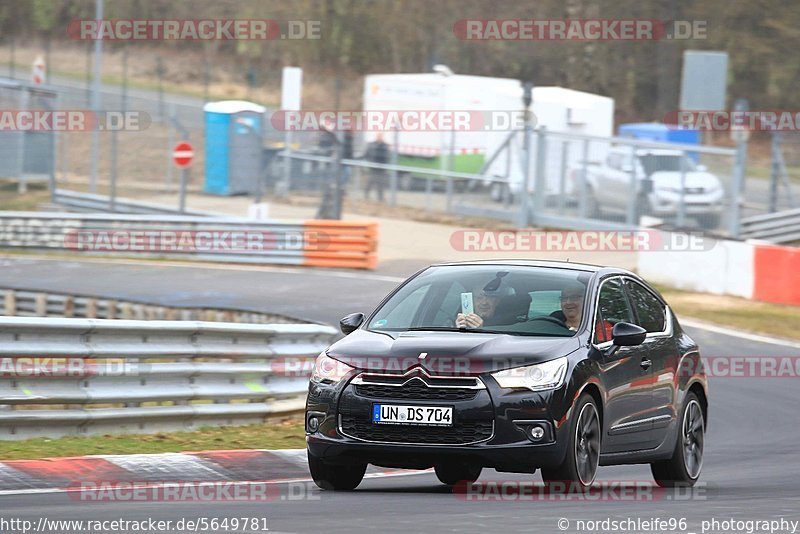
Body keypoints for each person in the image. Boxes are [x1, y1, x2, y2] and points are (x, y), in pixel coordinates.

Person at [363, 132, 390, 201]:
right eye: (378, 136)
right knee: (370, 182)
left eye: (380, 136)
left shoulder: (385, 145)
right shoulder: (371, 145)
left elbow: (387, 157)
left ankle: (380, 198)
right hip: (373, 168)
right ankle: (366, 196)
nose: (379, 137)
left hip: (381, 169)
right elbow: (366, 154)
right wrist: (369, 162)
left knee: (380, 184)